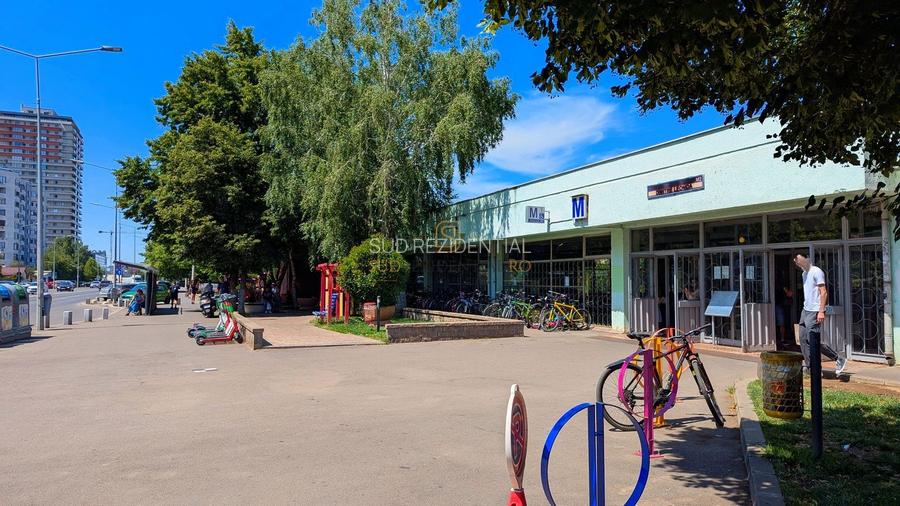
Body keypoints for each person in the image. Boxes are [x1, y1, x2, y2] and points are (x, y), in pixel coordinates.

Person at [794, 253, 846, 374]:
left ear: (807, 259)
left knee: (812, 339)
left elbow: (823, 292)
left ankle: (838, 358)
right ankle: (810, 367)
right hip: (805, 310)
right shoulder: (804, 274)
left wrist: (821, 311)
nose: (798, 263)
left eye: (799, 261)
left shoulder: (817, 271)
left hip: (815, 310)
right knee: (802, 339)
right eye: (796, 262)